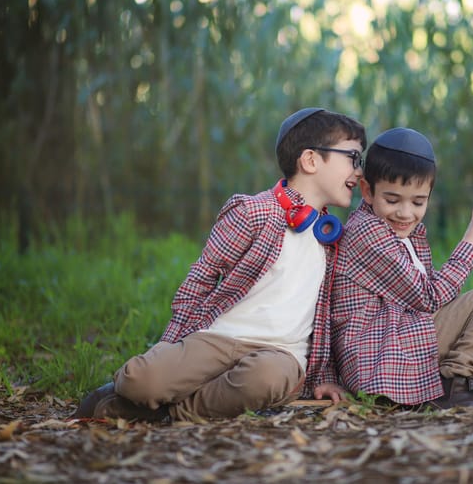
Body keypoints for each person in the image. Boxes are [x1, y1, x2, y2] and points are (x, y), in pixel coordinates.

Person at [73, 108, 367, 421]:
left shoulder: (334, 239)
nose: (359, 172)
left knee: (265, 379)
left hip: (280, 354)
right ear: (310, 160)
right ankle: (127, 395)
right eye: (352, 158)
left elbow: (333, 317)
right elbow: (201, 278)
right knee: (141, 381)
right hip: (221, 336)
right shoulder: (253, 213)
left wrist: (323, 373)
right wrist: (171, 345)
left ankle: (172, 415)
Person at [331, 127, 473, 409]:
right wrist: (472, 241)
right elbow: (429, 298)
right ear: (367, 191)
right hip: (383, 357)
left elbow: (430, 303)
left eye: (418, 202)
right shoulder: (366, 232)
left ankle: (472, 380)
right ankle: (453, 383)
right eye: (392, 200)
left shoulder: (405, 235)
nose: (406, 213)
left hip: (410, 339)